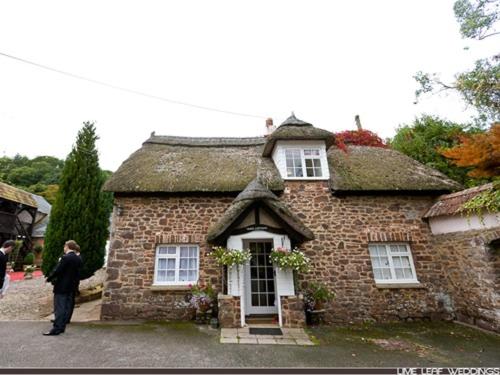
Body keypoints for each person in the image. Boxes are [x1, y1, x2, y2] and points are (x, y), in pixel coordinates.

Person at [44, 240, 83, 336]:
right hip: (72, 286)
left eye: (64, 246)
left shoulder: (65, 258)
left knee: (59, 307)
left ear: (67, 246)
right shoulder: (78, 259)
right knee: (66, 306)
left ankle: (57, 328)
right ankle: (62, 327)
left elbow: (58, 270)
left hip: (62, 286)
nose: (63, 248)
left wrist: (49, 278)